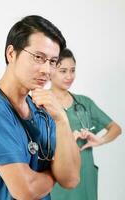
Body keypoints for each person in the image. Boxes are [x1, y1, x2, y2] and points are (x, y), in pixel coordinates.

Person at [0, 16, 81, 200]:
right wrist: (54, 173)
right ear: (11, 53)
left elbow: (71, 178)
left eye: (52, 61)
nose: (46, 70)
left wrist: (62, 119)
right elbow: (25, 190)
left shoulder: (43, 110)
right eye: (38, 57)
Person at [50, 48, 121, 200]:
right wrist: (68, 139)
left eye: (72, 70)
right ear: (50, 71)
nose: (69, 76)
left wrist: (99, 140)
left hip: (85, 176)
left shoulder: (84, 103)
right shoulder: (41, 103)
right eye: (63, 71)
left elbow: (116, 128)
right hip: (58, 177)